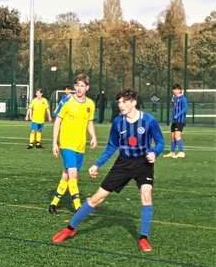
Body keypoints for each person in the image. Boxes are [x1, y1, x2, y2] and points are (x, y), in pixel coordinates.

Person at [52, 89, 164, 252]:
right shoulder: (118, 122)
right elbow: (112, 146)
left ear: (133, 102)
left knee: (146, 195)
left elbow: (160, 142)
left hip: (143, 164)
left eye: (124, 102)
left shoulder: (149, 120)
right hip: (123, 164)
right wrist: (97, 164)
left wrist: (155, 152)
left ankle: (143, 238)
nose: (121, 105)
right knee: (98, 198)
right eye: (119, 102)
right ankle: (70, 228)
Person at [49, 74, 97, 213]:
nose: (79, 88)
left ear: (87, 87)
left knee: (67, 174)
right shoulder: (67, 101)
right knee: (73, 173)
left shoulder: (90, 104)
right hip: (66, 143)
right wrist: (54, 143)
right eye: (77, 85)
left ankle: (54, 203)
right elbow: (57, 121)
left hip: (80, 145)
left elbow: (89, 122)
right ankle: (77, 206)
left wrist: (93, 136)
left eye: (82, 86)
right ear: (74, 86)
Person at [163, 84, 188, 159]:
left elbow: (185, 108)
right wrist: (172, 119)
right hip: (174, 121)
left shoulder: (183, 98)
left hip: (180, 121)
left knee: (177, 136)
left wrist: (178, 115)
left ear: (180, 90)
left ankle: (181, 152)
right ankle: (172, 152)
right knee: (173, 137)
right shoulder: (174, 98)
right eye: (173, 89)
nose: (174, 91)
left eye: (176, 89)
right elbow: (173, 108)